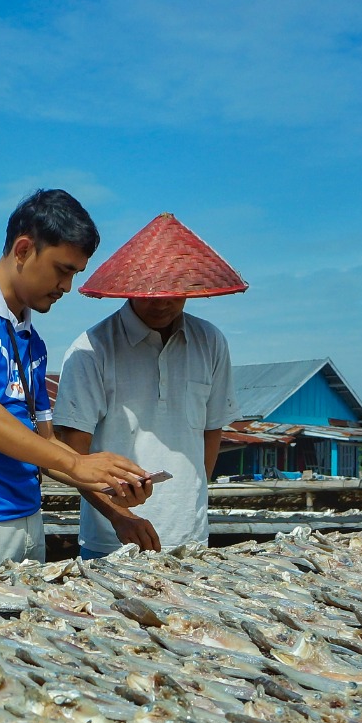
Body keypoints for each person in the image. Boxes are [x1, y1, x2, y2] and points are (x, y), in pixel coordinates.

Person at [0, 189, 151, 569]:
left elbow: (45, 444)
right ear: (22, 250)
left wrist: (111, 492)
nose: (67, 286)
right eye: (62, 269)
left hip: (27, 522)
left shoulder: (30, 340)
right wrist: (77, 466)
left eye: (75, 273)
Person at [54, 213, 246, 558]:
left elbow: (211, 429)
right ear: (128, 287)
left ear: (190, 287)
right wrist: (120, 516)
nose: (162, 302)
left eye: (173, 292)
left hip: (191, 538)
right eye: (151, 293)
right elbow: (73, 453)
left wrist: (192, 497)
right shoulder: (91, 349)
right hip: (112, 543)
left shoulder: (210, 342)